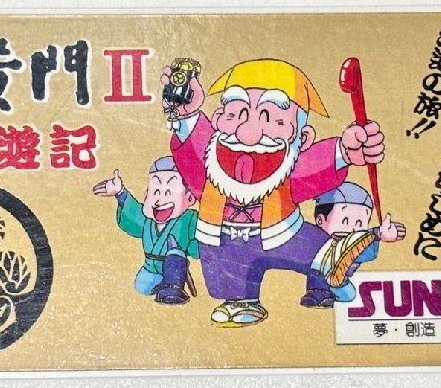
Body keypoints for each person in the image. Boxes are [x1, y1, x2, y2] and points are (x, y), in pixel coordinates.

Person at [164, 58, 386, 326]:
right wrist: (186, 114)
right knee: (229, 273)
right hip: (220, 238)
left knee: (312, 250)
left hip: (280, 231)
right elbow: (194, 151)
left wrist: (344, 152)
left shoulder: (287, 164)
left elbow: (312, 168)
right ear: (218, 118)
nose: (248, 133)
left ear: (303, 137)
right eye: (235, 114)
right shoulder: (213, 157)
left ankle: (330, 263)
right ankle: (239, 301)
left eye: (272, 119)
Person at [92, 157, 199, 304]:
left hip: (175, 269)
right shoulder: (147, 220)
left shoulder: (188, 218)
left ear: (190, 198)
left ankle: (174, 288)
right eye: (156, 191)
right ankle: (163, 286)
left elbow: (198, 242)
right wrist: (121, 193)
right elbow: (134, 215)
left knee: (175, 252)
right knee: (142, 286)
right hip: (152, 268)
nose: (159, 200)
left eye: (169, 192)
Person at [309, 183, 406, 304]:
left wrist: (378, 234)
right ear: (320, 220)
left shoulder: (360, 242)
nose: (353, 228)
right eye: (345, 221)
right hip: (317, 277)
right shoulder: (314, 238)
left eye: (360, 223)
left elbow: (363, 245)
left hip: (339, 283)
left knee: (349, 294)